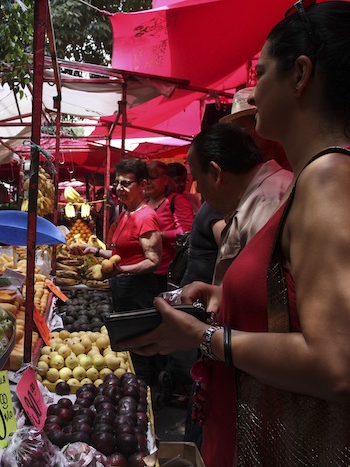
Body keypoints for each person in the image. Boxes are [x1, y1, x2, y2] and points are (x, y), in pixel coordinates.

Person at [117, 3, 350, 465]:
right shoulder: (313, 180)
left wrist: (202, 338)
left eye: (261, 74)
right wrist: (225, 297)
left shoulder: (327, 178)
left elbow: (336, 363)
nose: (252, 92)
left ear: (300, 75)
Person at [70, 158, 163, 386]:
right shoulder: (126, 214)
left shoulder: (146, 216)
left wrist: (121, 271)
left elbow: (153, 261)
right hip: (124, 288)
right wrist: (92, 250)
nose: (119, 188)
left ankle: (146, 393)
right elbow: (118, 254)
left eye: (126, 183)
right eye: (117, 183)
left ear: (142, 185)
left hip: (138, 291)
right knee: (130, 347)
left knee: (140, 347)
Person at [190, 123, 292, 285]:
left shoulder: (267, 205)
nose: (199, 189)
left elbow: (265, 293)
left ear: (215, 173)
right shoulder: (261, 196)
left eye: (197, 179)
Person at [145, 160, 194, 290]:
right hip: (144, 270)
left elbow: (186, 232)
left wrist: (159, 235)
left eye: (152, 178)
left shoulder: (176, 200)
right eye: (145, 178)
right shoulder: (144, 203)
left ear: (166, 180)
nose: (148, 182)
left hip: (165, 273)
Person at [220, 87, 292, 171]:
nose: (238, 136)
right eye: (235, 129)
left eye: (241, 127)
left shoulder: (292, 157)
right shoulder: (248, 164)